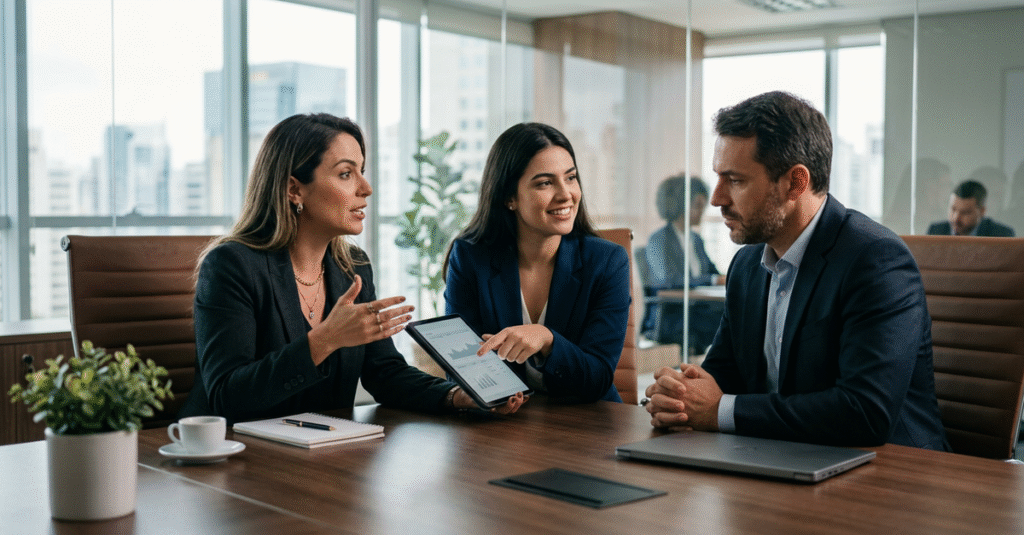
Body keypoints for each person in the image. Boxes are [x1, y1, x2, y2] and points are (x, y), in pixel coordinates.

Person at [644, 91, 948, 449]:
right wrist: (679, 395)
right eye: (718, 178)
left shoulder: (876, 261)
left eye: (735, 180)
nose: (717, 199)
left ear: (795, 183)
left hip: (891, 473)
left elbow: (865, 413)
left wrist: (719, 410)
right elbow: (723, 374)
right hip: (780, 457)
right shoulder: (747, 264)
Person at [179, 113, 524, 423]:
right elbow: (227, 395)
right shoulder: (231, 265)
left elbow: (384, 372)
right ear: (293, 189)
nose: (366, 188)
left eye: (362, 171)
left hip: (321, 455)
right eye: (346, 174)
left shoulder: (352, 267)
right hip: (233, 457)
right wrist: (324, 340)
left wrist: (455, 396)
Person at [443, 122, 630, 403]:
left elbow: (598, 377)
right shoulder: (470, 258)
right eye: (545, 183)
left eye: (571, 178)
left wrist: (547, 339)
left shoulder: (607, 261)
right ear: (509, 197)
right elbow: (461, 368)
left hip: (589, 422)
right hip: (506, 424)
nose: (566, 194)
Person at [643, 175, 725, 355]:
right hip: (674, 315)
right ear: (681, 206)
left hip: (697, 310)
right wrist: (712, 280)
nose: (702, 211)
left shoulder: (696, 240)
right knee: (732, 320)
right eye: (697, 205)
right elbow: (669, 280)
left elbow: (713, 273)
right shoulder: (659, 240)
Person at [926, 179, 1015, 237]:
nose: (956, 218)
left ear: (982, 211)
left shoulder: (1002, 235)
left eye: (965, 212)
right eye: (953, 209)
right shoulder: (935, 231)